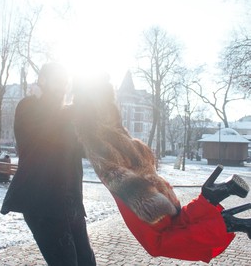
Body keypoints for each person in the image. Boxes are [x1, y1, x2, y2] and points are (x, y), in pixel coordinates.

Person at [71, 73, 251, 263]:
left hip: (125, 181)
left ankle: (225, 221)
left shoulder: (79, 118)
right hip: (139, 166)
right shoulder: (111, 115)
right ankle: (211, 197)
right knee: (175, 221)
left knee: (157, 242)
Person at [0, 63, 96, 266]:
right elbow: (51, 131)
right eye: (58, 80)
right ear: (42, 80)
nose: (63, 86)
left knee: (87, 262)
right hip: (42, 204)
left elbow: (85, 148)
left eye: (65, 81)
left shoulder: (66, 116)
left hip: (71, 203)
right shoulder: (29, 107)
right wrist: (75, 110)